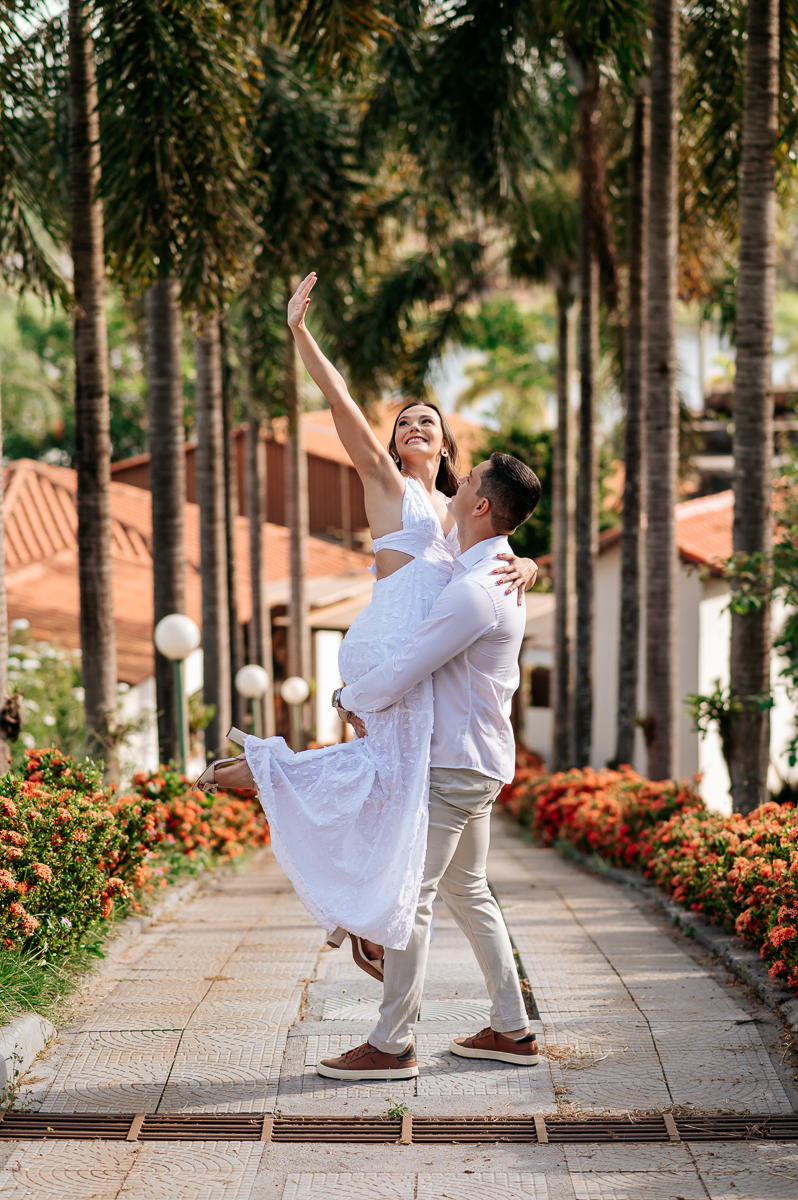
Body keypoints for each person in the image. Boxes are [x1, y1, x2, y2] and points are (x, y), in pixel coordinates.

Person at [196, 272, 537, 979]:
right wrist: (300, 335)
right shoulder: (390, 488)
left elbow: (497, 546)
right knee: (397, 782)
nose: (413, 427)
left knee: (400, 786)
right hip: (394, 647)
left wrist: (528, 565)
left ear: (449, 451)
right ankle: (281, 787)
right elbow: (342, 404)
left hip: (422, 658)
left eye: (428, 423)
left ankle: (285, 795)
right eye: (405, 421)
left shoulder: (464, 521)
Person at [315, 452, 542, 1081]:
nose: (456, 482)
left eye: (466, 482)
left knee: (411, 897)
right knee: (467, 891)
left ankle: (391, 1045)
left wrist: (345, 698)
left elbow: (409, 663)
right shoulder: (492, 571)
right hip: (477, 761)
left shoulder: (475, 592)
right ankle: (512, 1028)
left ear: (481, 507)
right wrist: (529, 560)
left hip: (455, 765)